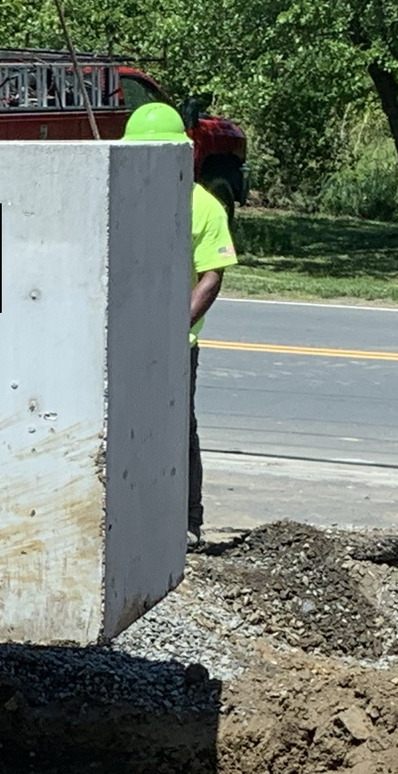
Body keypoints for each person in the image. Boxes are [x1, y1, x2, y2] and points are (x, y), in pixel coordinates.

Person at [123, 101, 239, 540]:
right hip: (124, 337)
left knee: (177, 427)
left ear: (182, 154)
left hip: (175, 342)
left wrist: (174, 328)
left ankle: (188, 522)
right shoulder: (121, 195)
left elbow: (212, 276)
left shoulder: (204, 207)